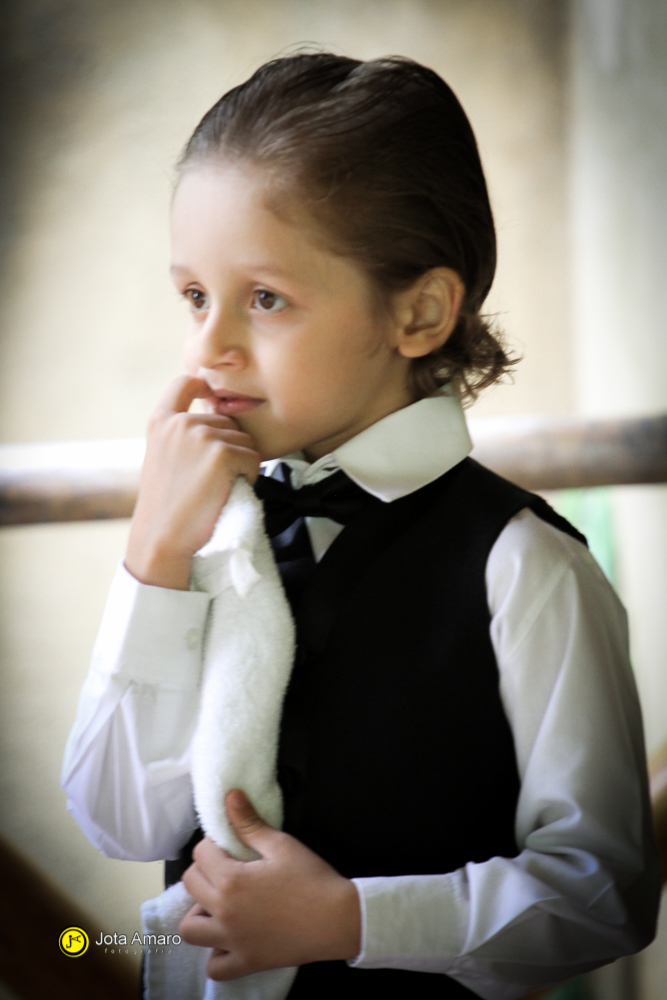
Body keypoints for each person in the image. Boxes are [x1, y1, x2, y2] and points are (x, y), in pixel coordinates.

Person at [61, 53, 660, 999]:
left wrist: (350, 919)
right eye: (194, 296)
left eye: (265, 298)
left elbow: (601, 897)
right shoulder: (198, 535)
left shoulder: (525, 568)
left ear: (418, 312)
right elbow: (119, 822)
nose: (208, 347)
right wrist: (154, 554)